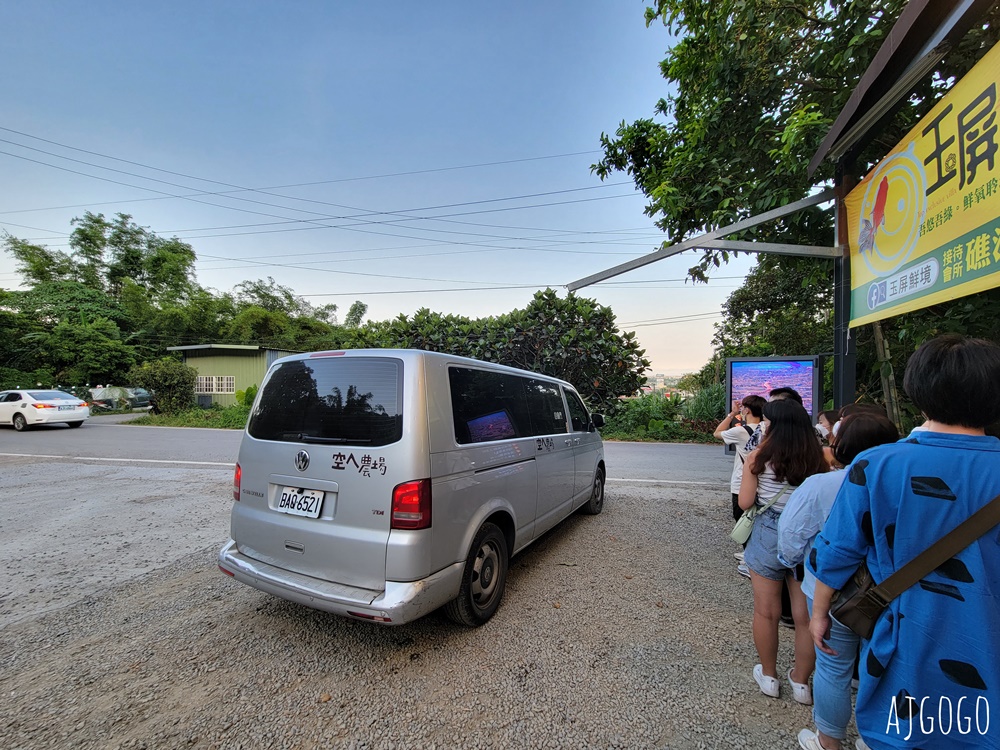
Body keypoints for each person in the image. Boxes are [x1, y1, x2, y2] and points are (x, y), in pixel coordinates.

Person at [809, 335, 1000, 749]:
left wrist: (819, 613)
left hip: (907, 641)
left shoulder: (878, 465)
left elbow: (836, 552)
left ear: (919, 392)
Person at [777, 412, 899, 750]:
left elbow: (792, 535)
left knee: (833, 666)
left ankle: (829, 740)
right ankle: (874, 738)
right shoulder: (906, 483)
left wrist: (793, 566)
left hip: (830, 593)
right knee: (886, 666)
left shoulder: (821, 484)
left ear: (838, 445)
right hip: (892, 591)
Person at [739, 398, 829, 702]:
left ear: (772, 425)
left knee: (767, 611)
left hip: (768, 533)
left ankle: (769, 677)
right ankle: (802, 684)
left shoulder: (757, 458)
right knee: (804, 615)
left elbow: (745, 504)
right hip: (807, 536)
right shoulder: (820, 458)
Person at [714, 394, 766, 577]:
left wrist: (731, 415)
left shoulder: (741, 431)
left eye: (743, 408)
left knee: (742, 518)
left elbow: (717, 433)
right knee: (756, 518)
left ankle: (750, 560)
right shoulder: (766, 429)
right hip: (763, 482)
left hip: (742, 482)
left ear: (747, 410)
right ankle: (749, 554)